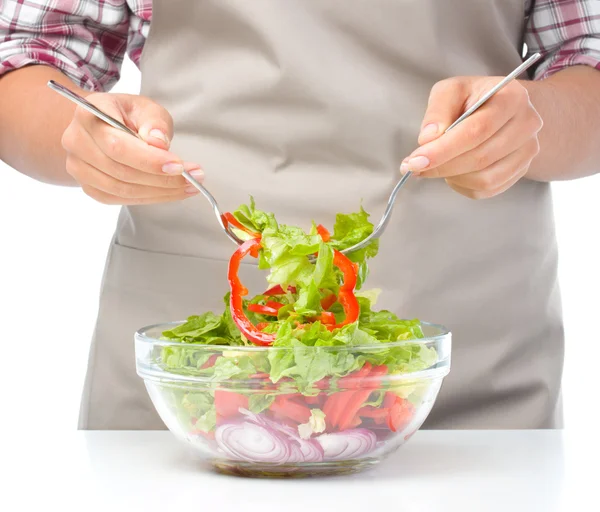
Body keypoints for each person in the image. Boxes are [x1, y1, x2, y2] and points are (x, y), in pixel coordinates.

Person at [1, 0, 599, 431]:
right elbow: (30, 55)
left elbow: (587, 63)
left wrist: (528, 127)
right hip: (190, 388)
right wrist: (82, 141)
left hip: (471, 366)